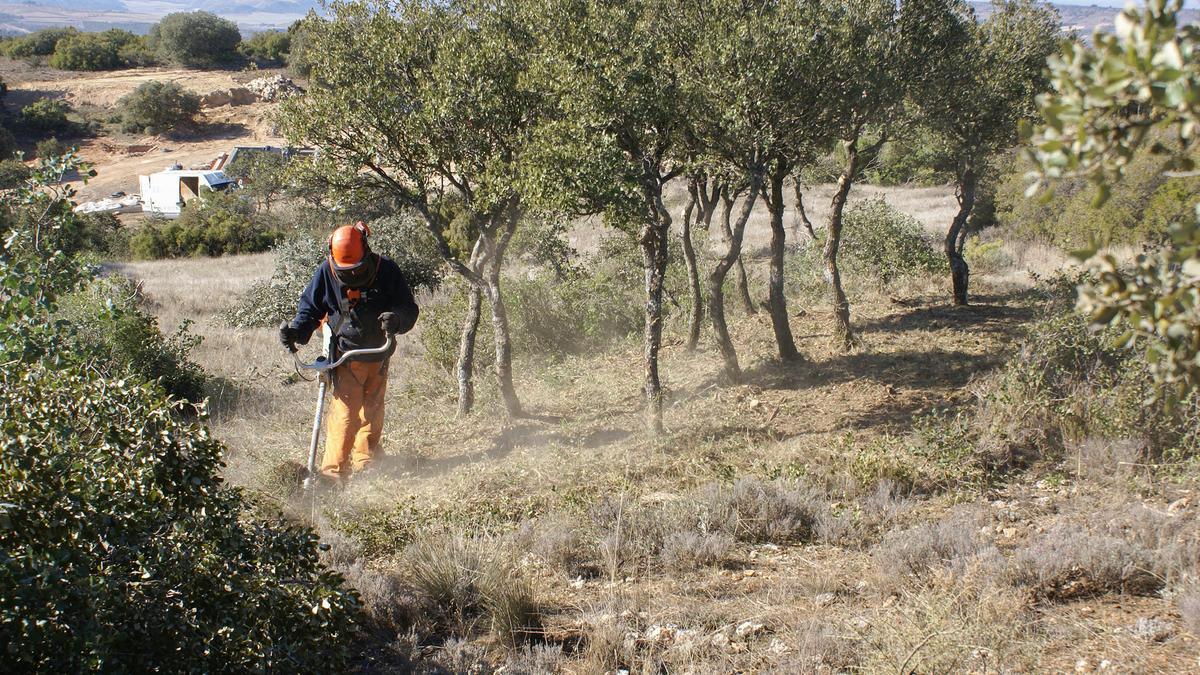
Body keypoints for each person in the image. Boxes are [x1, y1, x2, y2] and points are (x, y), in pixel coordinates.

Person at [279, 221, 419, 483]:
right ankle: (333, 476)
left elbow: (408, 307)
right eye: (347, 270)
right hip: (345, 355)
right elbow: (310, 309)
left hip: (379, 354)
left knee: (373, 410)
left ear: (366, 250)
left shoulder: (386, 270)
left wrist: (397, 319)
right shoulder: (327, 271)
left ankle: (367, 462)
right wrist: (297, 331)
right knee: (345, 415)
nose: (352, 275)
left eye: (356, 269)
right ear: (332, 256)